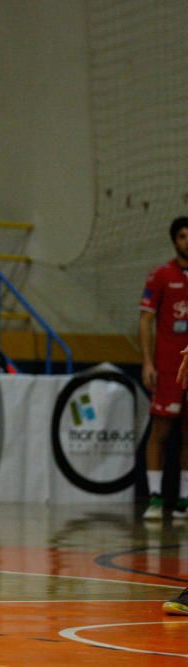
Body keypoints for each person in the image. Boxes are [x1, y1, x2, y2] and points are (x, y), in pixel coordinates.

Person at [139, 215, 188, 521]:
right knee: (161, 429)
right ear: (174, 240)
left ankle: (184, 498)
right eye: (183, 236)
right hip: (168, 368)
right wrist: (147, 361)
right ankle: (155, 497)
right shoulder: (160, 275)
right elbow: (145, 320)